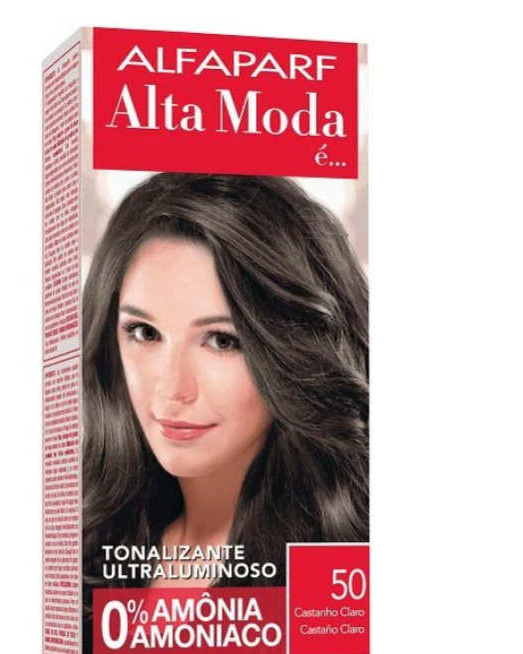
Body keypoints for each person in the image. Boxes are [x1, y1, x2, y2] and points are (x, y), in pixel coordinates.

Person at [82, 172, 368, 600]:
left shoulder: (340, 574)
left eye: (221, 340)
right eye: (144, 332)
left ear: (296, 352)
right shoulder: (90, 547)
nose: (171, 389)